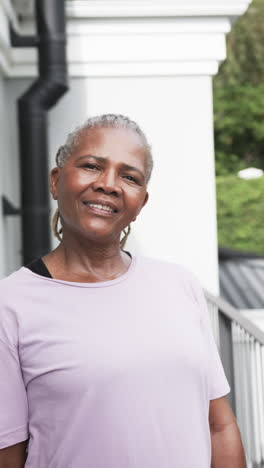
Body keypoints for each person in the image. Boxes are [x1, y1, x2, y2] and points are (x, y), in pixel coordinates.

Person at [0, 114, 246, 467]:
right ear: (56, 181)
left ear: (141, 202)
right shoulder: (11, 305)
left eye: (129, 177)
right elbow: (8, 456)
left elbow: (219, 426)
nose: (109, 184)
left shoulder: (180, 286)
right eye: (91, 166)